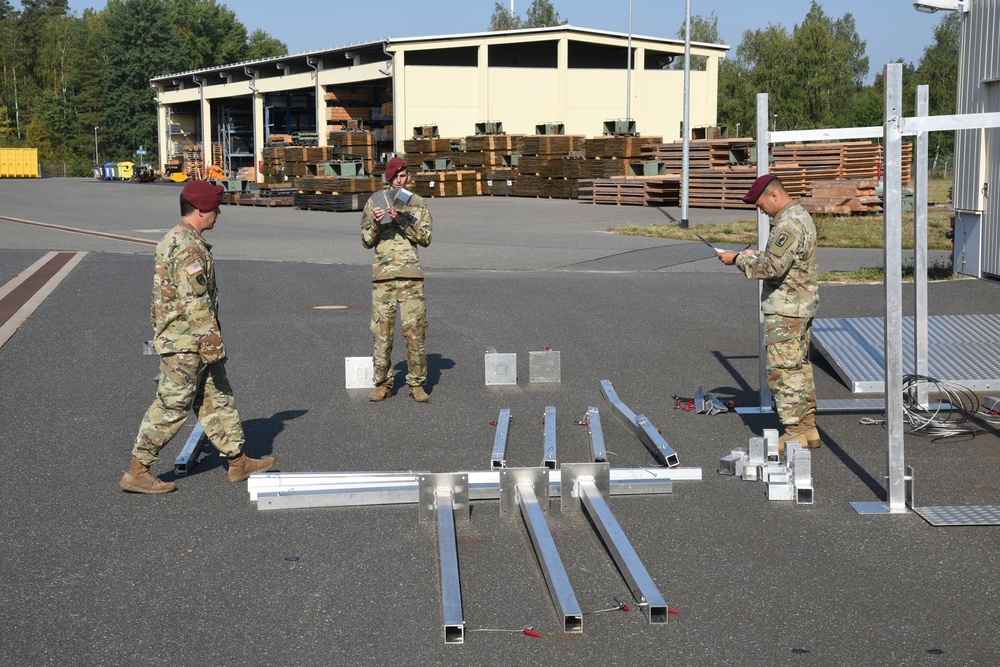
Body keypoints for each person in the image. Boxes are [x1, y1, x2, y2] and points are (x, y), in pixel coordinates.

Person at [119, 180, 275, 494]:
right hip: (187, 344)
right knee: (173, 405)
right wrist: (214, 347)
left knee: (217, 399)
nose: (218, 213)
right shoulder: (188, 246)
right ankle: (138, 470)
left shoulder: (174, 239)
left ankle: (237, 461)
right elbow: (196, 302)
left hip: (187, 340)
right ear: (200, 210)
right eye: (215, 208)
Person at [717, 174, 821, 453]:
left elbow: (772, 268)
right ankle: (807, 426)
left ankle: (794, 431)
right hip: (800, 305)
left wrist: (737, 259)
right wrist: (753, 255)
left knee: (783, 371)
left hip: (786, 309)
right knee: (799, 368)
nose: (762, 211)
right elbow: (780, 260)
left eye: (762, 205)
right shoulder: (801, 216)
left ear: (775, 196)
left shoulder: (788, 224)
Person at [360, 157, 433, 402]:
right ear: (388, 179)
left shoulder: (417, 203)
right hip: (383, 278)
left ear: (408, 177)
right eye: (395, 177)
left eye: (403, 176)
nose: (400, 181)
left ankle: (417, 383)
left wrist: (402, 221)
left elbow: (425, 237)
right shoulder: (374, 202)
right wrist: (378, 224)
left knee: (415, 332)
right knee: (382, 334)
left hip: (410, 276)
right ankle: (382, 383)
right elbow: (366, 240)